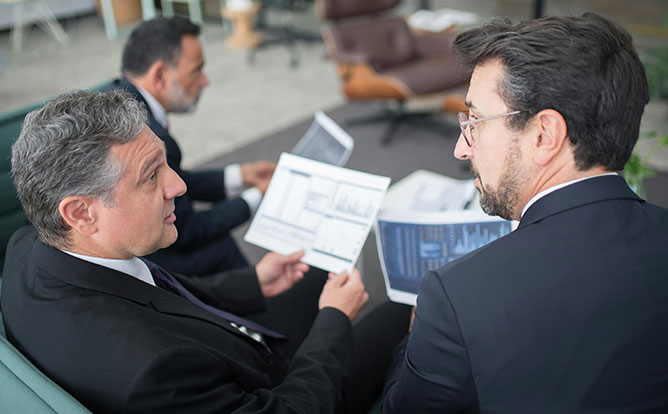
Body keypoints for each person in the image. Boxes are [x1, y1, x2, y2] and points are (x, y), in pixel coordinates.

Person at [2, 89, 410, 413]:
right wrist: (334, 322)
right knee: (403, 307)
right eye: (151, 177)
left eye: (166, 164)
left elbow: (156, 294)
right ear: (81, 212)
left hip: (226, 348)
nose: (178, 185)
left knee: (318, 269)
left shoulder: (30, 247)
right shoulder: (154, 372)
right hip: (273, 390)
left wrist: (255, 283)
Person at [383, 13, 668, 413]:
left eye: (475, 121)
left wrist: (413, 339)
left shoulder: (457, 299)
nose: (461, 149)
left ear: (544, 135)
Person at [104, 16, 275, 276]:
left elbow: (176, 179)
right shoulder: (150, 135)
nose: (205, 80)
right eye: (197, 70)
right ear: (160, 75)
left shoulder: (113, 95)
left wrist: (239, 176)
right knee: (220, 247)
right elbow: (186, 231)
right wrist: (256, 198)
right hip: (140, 262)